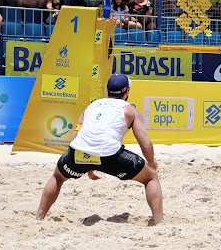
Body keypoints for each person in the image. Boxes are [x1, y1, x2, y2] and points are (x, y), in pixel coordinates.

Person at [36, 74, 163, 224]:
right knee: (151, 178)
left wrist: (87, 166)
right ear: (127, 92)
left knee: (58, 177)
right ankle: (159, 222)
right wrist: (151, 163)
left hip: (78, 152)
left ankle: (39, 217)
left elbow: (76, 136)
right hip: (110, 155)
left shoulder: (91, 106)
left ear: (107, 90)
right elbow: (145, 144)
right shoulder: (131, 111)